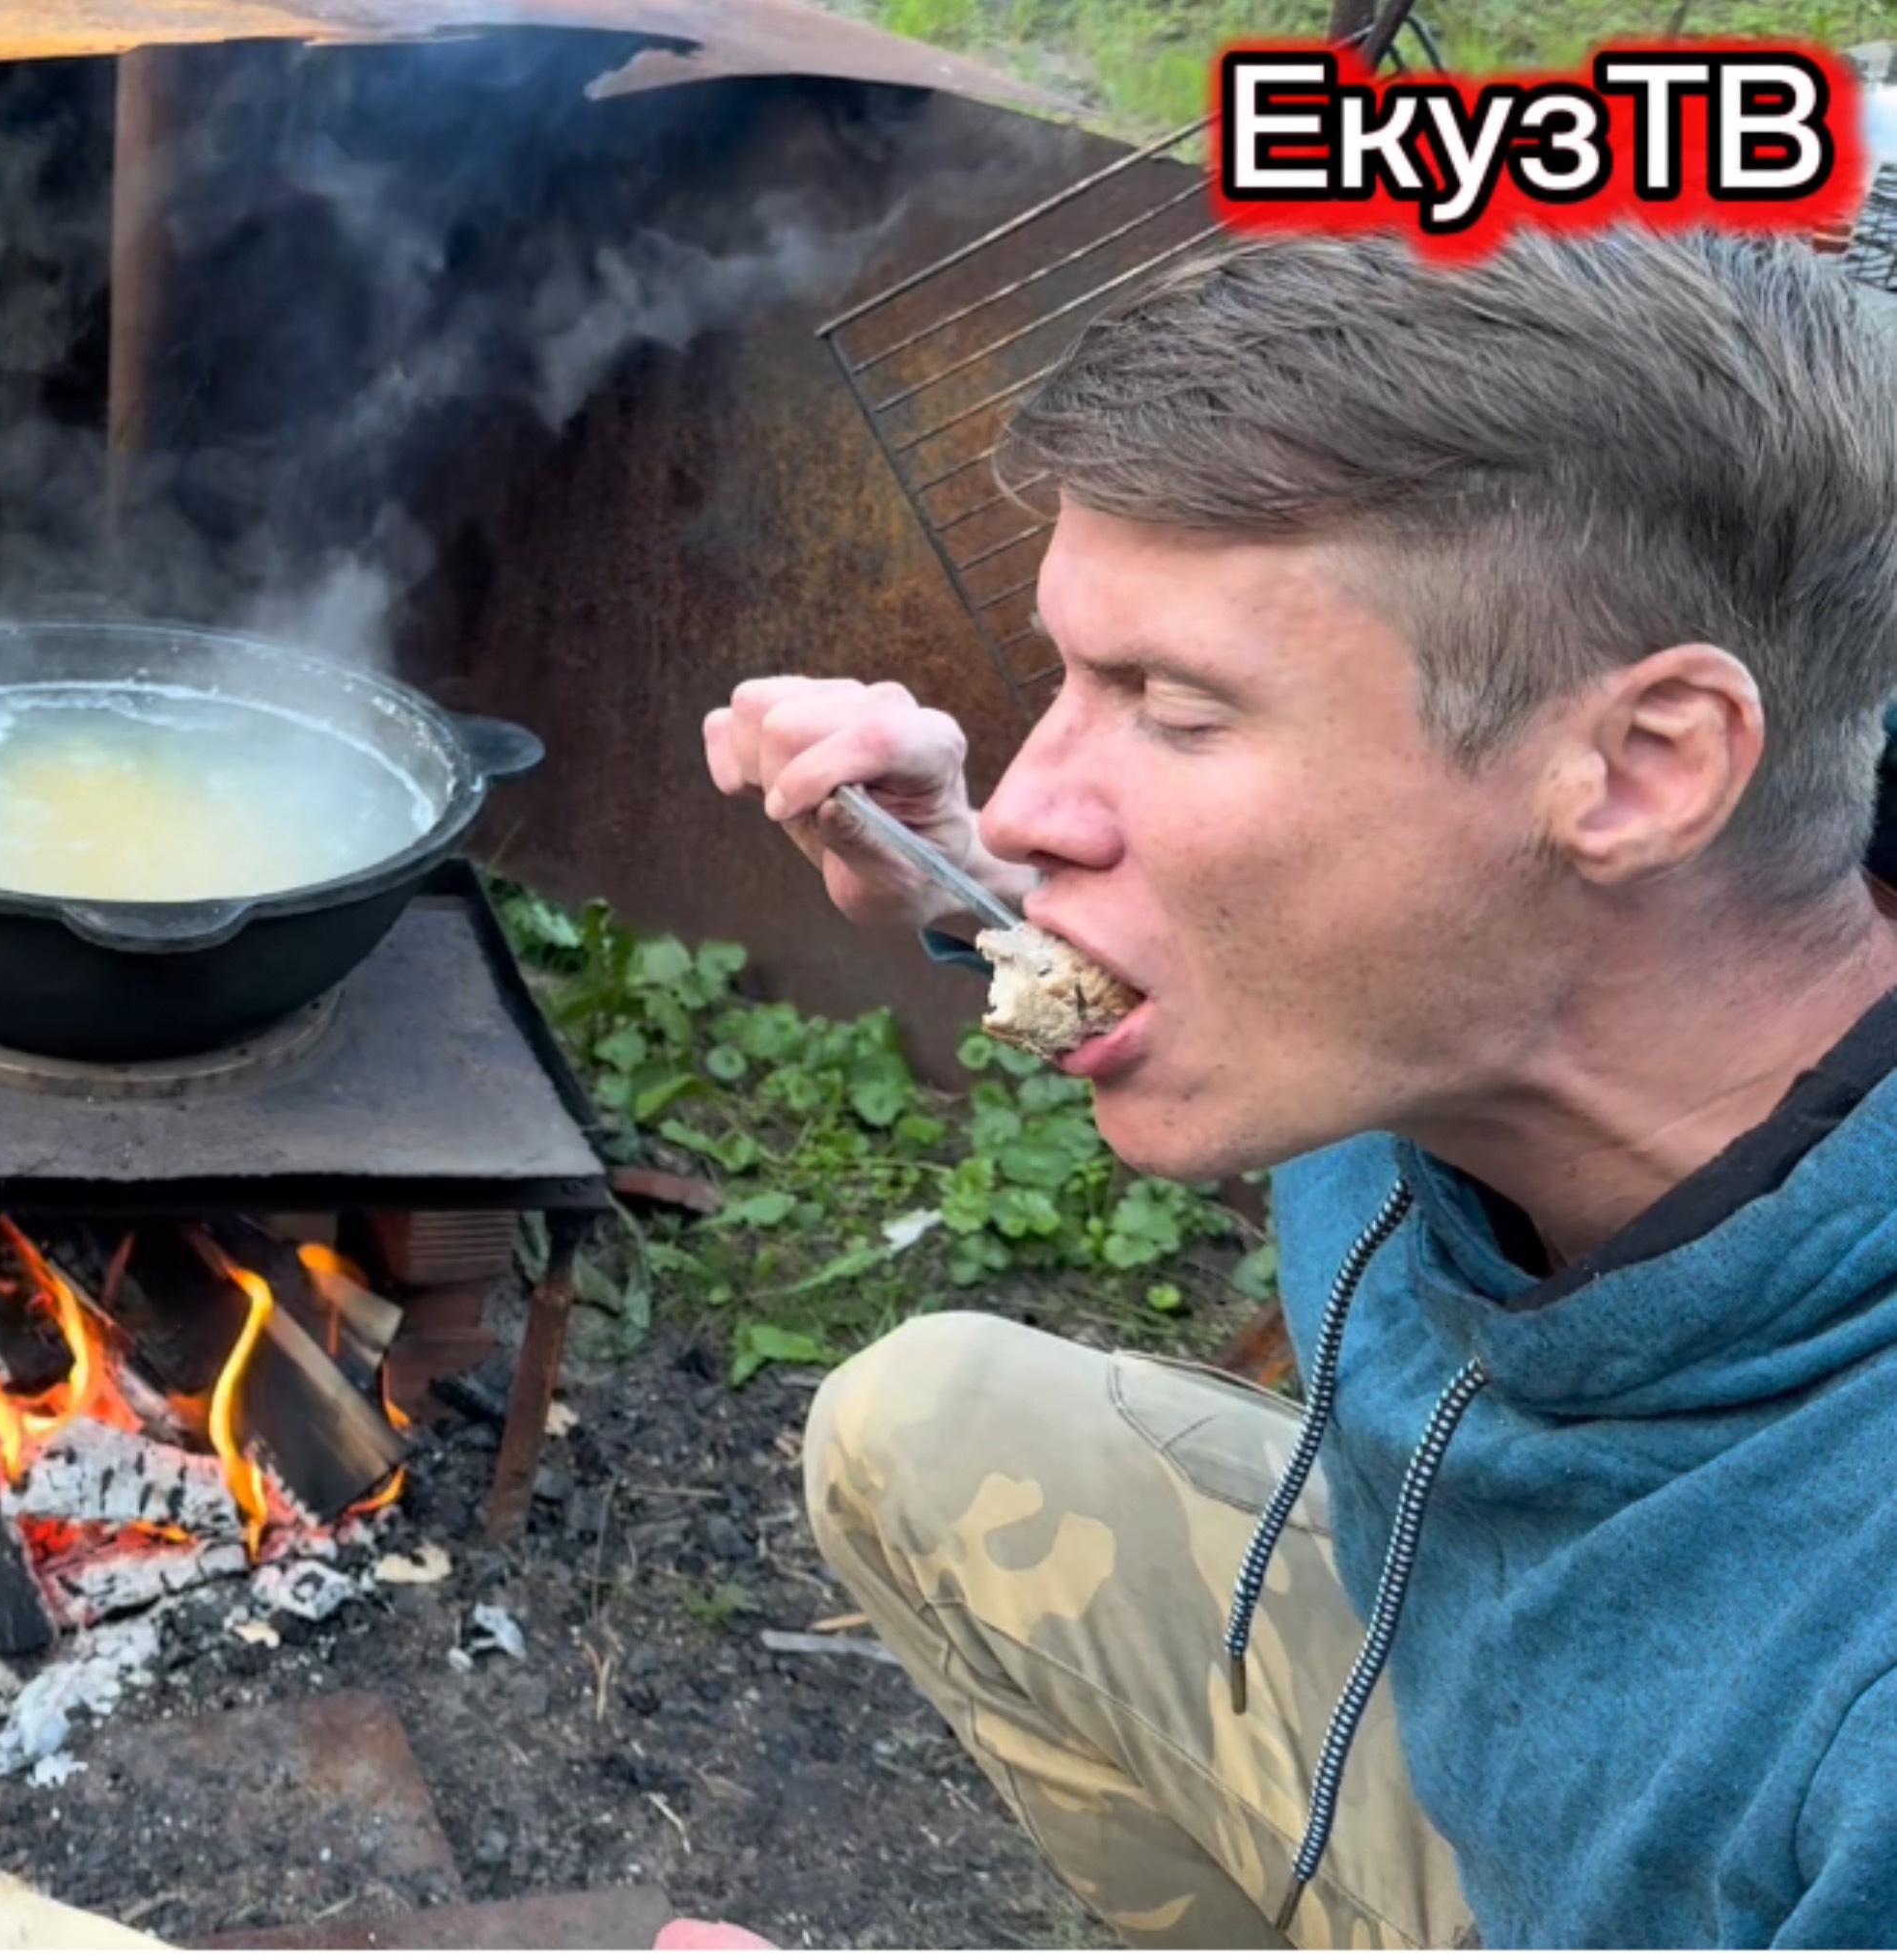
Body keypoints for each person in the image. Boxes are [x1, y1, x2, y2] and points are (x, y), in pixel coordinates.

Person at [701, 226, 1897, 1947]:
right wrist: (965, 893)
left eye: (1172, 709)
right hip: (1492, 1782)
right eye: (1067, 679)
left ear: (1640, 770)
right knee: (927, 1428)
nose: (1033, 801)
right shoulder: (1483, 1005)